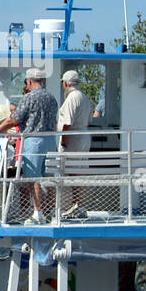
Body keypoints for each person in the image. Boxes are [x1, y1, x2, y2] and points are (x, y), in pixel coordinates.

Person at [0, 67, 58, 223]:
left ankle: (37, 212)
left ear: (29, 81)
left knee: (32, 178)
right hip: (50, 140)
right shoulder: (51, 98)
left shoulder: (28, 98)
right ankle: (51, 211)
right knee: (48, 177)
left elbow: (13, 120)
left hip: (33, 141)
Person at [57, 69, 93, 219]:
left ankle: (77, 205)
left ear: (66, 83)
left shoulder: (72, 97)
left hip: (74, 139)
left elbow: (67, 123)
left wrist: (63, 142)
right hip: (84, 136)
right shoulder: (85, 97)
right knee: (79, 171)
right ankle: (79, 205)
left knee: (74, 172)